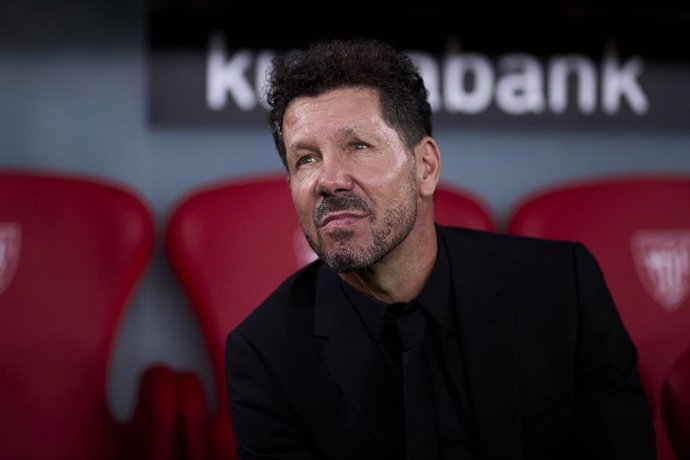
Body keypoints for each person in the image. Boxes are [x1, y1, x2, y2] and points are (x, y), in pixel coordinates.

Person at [225, 38, 656, 460]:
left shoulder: (564, 291)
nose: (328, 179)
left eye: (358, 146)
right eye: (306, 159)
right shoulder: (264, 355)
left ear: (426, 168)